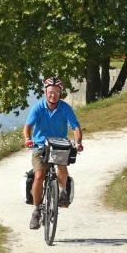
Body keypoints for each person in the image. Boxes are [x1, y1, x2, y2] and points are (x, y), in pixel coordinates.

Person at [23, 76, 84, 230]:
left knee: (62, 167)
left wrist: (78, 142)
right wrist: (28, 139)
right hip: (40, 146)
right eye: (50, 92)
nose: (53, 95)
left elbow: (75, 127)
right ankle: (36, 210)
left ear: (60, 93)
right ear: (46, 92)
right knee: (39, 175)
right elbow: (28, 126)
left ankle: (62, 192)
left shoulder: (65, 108)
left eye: (56, 92)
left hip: (58, 145)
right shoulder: (38, 107)